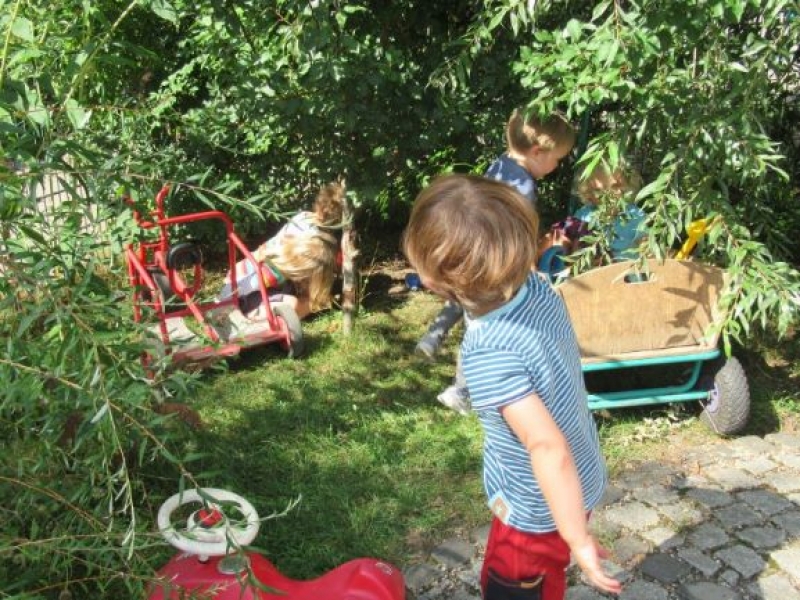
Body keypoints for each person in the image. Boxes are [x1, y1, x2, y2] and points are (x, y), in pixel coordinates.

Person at [403, 173, 622, 600]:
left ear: (432, 281)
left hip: (534, 512)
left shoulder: (489, 352)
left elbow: (546, 448)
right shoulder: (539, 289)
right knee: (548, 577)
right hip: (581, 477)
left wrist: (577, 539)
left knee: (511, 587)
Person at [417, 108, 576, 414]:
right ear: (538, 152)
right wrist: (531, 271)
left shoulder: (499, 165)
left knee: (459, 303)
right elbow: (519, 238)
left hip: (473, 249)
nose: (556, 167)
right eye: (556, 159)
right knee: (479, 323)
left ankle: (433, 336)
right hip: (495, 262)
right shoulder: (525, 189)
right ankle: (462, 389)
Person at [218, 182, 344, 319]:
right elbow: (233, 293)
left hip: (250, 278)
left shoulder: (303, 217)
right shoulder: (271, 271)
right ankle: (251, 318)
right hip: (241, 298)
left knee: (304, 296)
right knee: (298, 304)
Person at [538, 159, 645, 277]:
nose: (611, 194)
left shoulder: (635, 215)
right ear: (587, 192)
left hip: (626, 278)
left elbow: (646, 246)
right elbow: (573, 245)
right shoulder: (585, 215)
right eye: (598, 190)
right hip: (593, 278)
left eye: (616, 186)